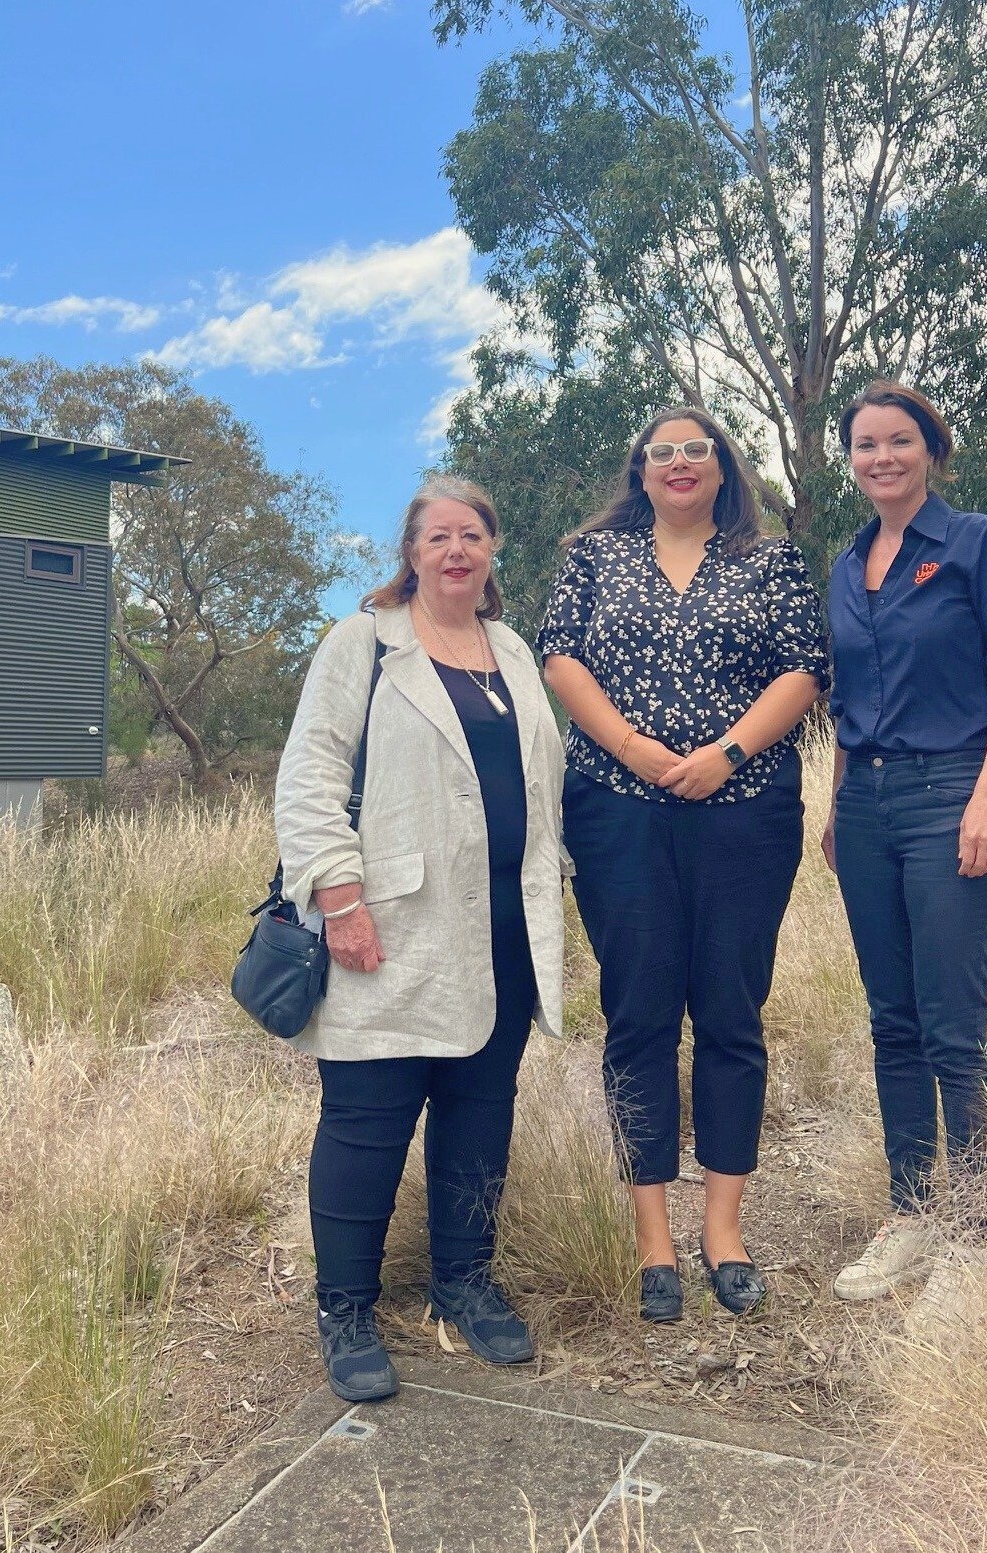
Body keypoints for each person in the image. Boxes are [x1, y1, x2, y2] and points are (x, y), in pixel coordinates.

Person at [275, 476, 566, 1403]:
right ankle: (346, 1310)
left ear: (492, 552)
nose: (456, 551)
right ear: (410, 553)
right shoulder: (362, 644)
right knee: (367, 1120)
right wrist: (341, 897)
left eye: (472, 535)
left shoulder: (512, 653)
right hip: (389, 927)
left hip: (505, 932)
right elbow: (310, 774)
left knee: (480, 1114)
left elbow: (545, 789)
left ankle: (464, 1285)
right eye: (438, 536)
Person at [539, 409, 829, 1320]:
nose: (677, 463)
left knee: (733, 1014)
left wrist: (726, 755)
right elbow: (560, 658)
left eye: (693, 450)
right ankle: (653, 1239)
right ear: (640, 469)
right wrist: (632, 749)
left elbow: (805, 669)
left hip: (744, 814)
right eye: (660, 452)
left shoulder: (769, 559)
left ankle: (725, 1232)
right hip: (617, 811)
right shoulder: (595, 557)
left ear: (720, 467)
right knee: (639, 1016)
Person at [821, 381, 987, 1302]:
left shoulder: (978, 543)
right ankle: (911, 1214)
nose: (883, 458)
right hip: (864, 806)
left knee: (954, 1026)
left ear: (931, 449)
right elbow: (843, 702)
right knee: (893, 1020)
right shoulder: (843, 565)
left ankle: (975, 1236)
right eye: (866, 445)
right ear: (851, 460)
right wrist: (834, 806)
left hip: (953, 790)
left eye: (899, 441)